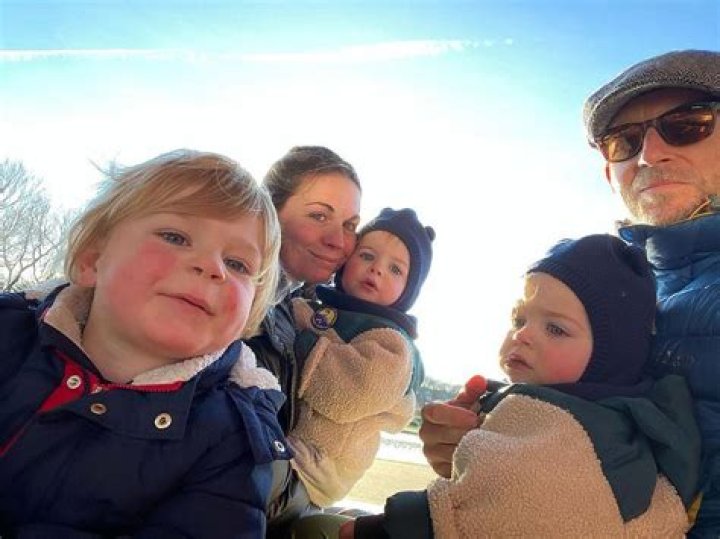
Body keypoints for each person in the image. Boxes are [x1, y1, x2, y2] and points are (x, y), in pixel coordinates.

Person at [419, 49, 720, 536]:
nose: (649, 154)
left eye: (688, 125)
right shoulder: (616, 300)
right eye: (624, 141)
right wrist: (491, 447)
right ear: (608, 172)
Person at [0, 149, 291, 538]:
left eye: (237, 264)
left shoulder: (233, 439)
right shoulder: (9, 330)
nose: (212, 267)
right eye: (175, 237)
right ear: (92, 261)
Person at [341, 234, 700, 538]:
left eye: (555, 328)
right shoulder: (558, 414)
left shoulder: (584, 438)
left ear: (610, 359)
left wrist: (387, 527)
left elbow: (503, 510)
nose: (522, 334)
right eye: (519, 318)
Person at [244, 145, 363, 536]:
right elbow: (244, 471)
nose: (338, 241)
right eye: (318, 216)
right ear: (270, 210)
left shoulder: (291, 309)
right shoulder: (240, 306)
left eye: (350, 225)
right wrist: (310, 499)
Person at [288, 207, 433, 508]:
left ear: (409, 290)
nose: (377, 269)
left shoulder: (392, 341)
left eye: (395, 269)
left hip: (316, 467)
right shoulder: (322, 304)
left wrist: (298, 333)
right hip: (290, 447)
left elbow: (350, 392)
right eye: (367, 255)